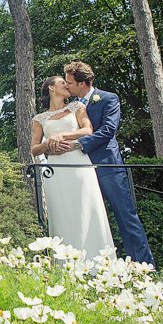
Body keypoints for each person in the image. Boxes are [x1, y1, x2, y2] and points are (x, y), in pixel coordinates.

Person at [53, 61, 155, 267]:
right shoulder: (70, 108)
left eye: (70, 82)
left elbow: (108, 130)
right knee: (86, 217)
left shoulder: (108, 98)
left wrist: (78, 144)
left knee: (125, 215)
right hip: (79, 170)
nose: (67, 86)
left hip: (107, 166)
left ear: (82, 83)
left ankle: (143, 266)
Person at [30, 75, 115, 260]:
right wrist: (48, 144)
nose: (67, 85)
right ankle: (66, 263)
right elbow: (35, 149)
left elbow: (87, 130)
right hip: (55, 170)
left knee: (87, 208)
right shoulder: (40, 118)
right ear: (52, 88)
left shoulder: (77, 107)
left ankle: (98, 262)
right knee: (62, 213)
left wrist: (62, 136)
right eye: (62, 82)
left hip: (79, 164)